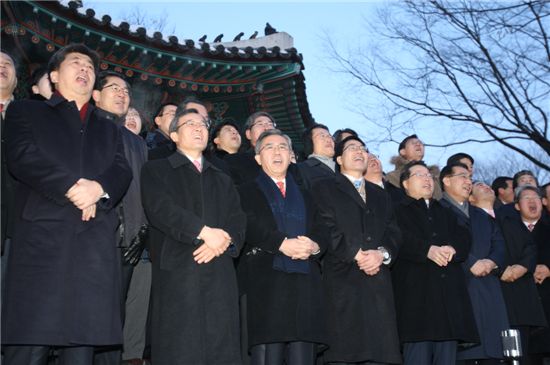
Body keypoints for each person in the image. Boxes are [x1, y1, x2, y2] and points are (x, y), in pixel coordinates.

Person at [2, 43, 132, 365]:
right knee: (31, 341)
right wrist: (74, 188)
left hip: (92, 244)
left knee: (81, 346)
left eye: (90, 66)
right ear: (55, 75)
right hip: (42, 241)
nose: (85, 70)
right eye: (76, 63)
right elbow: (22, 157)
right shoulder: (26, 111)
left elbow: (120, 170)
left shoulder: (109, 128)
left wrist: (98, 189)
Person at [141, 109, 246, 365]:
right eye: (190, 124)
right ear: (174, 135)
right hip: (178, 266)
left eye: (203, 124)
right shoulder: (156, 169)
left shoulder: (222, 177)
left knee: (221, 343)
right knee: (180, 345)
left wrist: (224, 241)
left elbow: (238, 218)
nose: (199, 128)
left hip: (220, 270)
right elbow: (160, 209)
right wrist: (204, 233)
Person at [237, 129, 328, 365]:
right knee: (269, 353)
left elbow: (323, 228)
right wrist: (281, 243)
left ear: (291, 156)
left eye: (283, 147)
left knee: (303, 352)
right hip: (266, 280)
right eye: (269, 147)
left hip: (305, 280)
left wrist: (315, 245)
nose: (277, 151)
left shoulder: (309, 195)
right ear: (258, 158)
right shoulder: (244, 190)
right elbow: (246, 223)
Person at [313, 135, 402, 364]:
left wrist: (380, 254)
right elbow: (323, 226)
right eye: (353, 148)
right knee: (347, 351)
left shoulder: (381, 194)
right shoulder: (324, 188)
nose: (360, 152)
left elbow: (394, 232)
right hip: (343, 278)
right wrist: (356, 253)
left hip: (378, 281)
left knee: (381, 352)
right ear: (340, 159)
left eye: (363, 148)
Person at [392, 160, 478, 365]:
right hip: (415, 299)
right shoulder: (396, 210)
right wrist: (426, 251)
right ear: (405, 183)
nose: (427, 179)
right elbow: (396, 238)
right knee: (417, 356)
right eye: (420, 175)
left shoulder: (446, 211)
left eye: (429, 176)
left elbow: (464, 237)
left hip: (447, 300)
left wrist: (452, 249)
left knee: (447, 357)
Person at [92, 71, 150, 365]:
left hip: (130, 242)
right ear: (96, 95)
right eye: (113, 87)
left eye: (126, 90)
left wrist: (141, 232)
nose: (122, 93)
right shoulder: (86, 127)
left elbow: (142, 191)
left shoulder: (138, 143)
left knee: (118, 318)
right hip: (93, 236)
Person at [440, 165, 510, 364]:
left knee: (494, 351)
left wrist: (491, 261)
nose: (468, 181)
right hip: (459, 284)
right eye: (462, 176)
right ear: (446, 180)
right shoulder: (437, 210)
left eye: (470, 177)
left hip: (489, 284)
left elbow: (500, 244)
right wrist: (470, 263)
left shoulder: (482, 215)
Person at [498, 185, 547, 364]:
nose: (532, 201)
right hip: (521, 305)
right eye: (526, 198)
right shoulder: (506, 227)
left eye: (536, 197)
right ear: (517, 206)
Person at [225, 111, 277, 186]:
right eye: (260, 124)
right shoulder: (236, 161)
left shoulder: (286, 157)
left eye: (270, 124)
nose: (267, 127)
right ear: (248, 134)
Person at [386, 134, 442, 200]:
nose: (418, 144)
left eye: (420, 143)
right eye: (413, 143)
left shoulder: (436, 176)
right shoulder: (392, 176)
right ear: (403, 151)